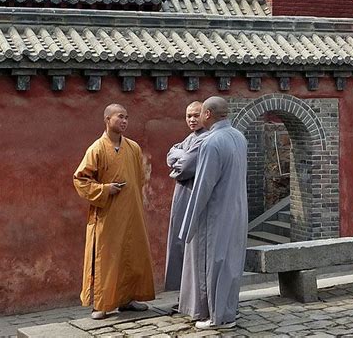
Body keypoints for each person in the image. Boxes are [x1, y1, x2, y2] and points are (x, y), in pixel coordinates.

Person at [73, 104, 155, 319]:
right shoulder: (97, 149)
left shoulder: (133, 147)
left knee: (131, 254)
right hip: (107, 214)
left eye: (127, 117)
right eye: (120, 117)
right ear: (107, 119)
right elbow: (80, 180)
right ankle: (101, 304)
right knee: (106, 258)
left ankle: (127, 299)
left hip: (131, 211)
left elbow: (139, 178)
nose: (125, 121)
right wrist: (104, 189)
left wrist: (135, 201)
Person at [178, 96, 248, 330]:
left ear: (207, 114)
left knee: (213, 263)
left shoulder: (211, 143)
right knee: (231, 262)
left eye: (200, 114)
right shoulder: (239, 137)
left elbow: (203, 186)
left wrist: (189, 223)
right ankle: (229, 310)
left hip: (216, 213)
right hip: (237, 210)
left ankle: (217, 317)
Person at [165, 101, 209, 293]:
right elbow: (169, 156)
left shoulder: (206, 139)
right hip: (182, 195)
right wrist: (180, 156)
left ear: (206, 115)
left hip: (194, 194)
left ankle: (193, 294)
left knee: (193, 244)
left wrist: (179, 157)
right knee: (178, 242)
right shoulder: (189, 139)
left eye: (196, 115)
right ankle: (181, 293)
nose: (192, 119)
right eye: (188, 116)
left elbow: (183, 168)